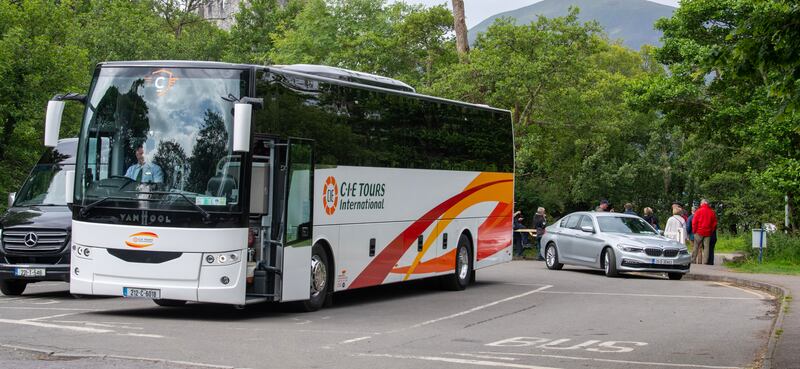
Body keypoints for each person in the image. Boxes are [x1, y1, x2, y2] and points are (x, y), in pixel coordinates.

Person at [691, 199, 718, 265]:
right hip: (708, 232)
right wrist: (711, 231)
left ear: (702, 203)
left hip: (699, 232)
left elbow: (694, 222)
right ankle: (705, 261)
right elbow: (714, 224)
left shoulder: (698, 211)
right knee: (706, 247)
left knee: (696, 246)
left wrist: (694, 231)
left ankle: (693, 260)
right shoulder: (712, 212)